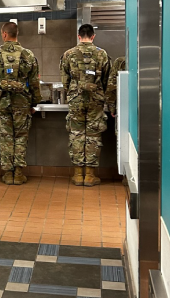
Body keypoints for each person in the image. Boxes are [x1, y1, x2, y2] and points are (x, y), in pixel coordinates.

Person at [0, 22, 41, 185]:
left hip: (1, 103)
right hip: (22, 102)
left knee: (5, 137)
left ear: (4, 34)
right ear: (17, 34)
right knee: (21, 137)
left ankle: (8, 174)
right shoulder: (28, 55)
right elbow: (35, 82)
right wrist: (34, 103)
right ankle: (19, 173)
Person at [60, 24, 111, 187]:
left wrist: (73, 93)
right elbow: (107, 81)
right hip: (96, 100)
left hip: (76, 100)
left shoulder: (68, 54)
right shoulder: (102, 54)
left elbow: (64, 81)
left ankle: (77, 174)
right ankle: (90, 175)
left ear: (78, 35)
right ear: (93, 36)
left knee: (76, 134)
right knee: (93, 136)